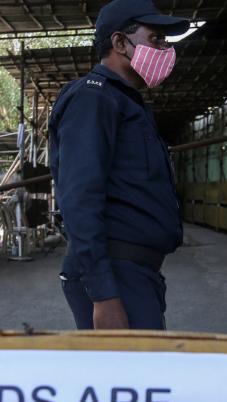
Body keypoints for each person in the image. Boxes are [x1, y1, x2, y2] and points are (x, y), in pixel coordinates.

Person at [48, 0, 188, 330]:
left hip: (136, 274)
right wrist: (104, 295)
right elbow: (79, 199)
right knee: (134, 377)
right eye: (156, 39)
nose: (165, 50)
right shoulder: (93, 98)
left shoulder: (125, 103)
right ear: (120, 43)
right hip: (116, 275)